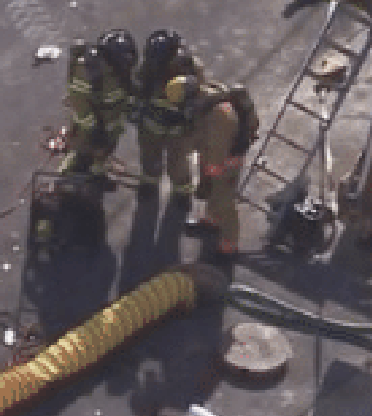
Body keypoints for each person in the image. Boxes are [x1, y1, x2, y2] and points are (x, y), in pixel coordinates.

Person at [168, 75, 260, 256]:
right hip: (212, 156)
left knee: (223, 203)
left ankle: (228, 247)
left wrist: (209, 177)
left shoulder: (220, 115)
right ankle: (211, 221)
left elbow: (219, 150)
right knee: (213, 197)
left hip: (226, 163)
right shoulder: (206, 99)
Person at [134, 29, 204, 202]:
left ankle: (182, 193)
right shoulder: (147, 68)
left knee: (178, 164)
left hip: (179, 128)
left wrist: (188, 115)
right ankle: (150, 183)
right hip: (152, 123)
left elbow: (200, 97)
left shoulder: (191, 70)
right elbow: (137, 91)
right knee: (149, 158)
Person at [60, 30, 136, 179]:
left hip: (111, 124)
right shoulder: (86, 70)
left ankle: (97, 173)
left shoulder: (119, 70)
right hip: (90, 126)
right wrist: (94, 129)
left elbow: (125, 93)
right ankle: (65, 179)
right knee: (80, 155)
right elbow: (79, 102)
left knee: (102, 154)